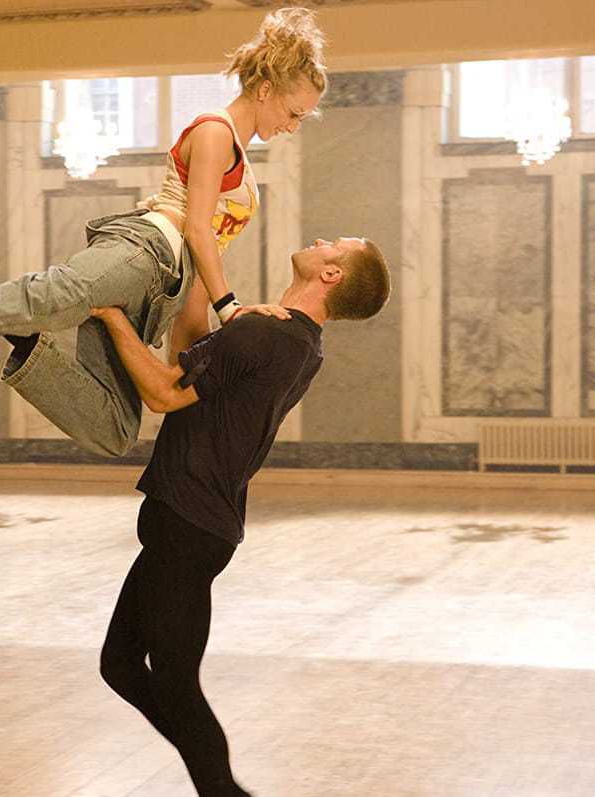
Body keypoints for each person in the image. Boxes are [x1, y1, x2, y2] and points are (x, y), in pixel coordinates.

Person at [0, 7, 329, 457]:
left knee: (117, 430)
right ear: (266, 89)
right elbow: (196, 228)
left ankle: (28, 344)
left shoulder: (241, 157)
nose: (292, 126)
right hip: (148, 248)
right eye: (294, 113)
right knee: (63, 292)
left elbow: (204, 252)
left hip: (163, 290)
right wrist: (230, 309)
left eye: (301, 119)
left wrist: (195, 356)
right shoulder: (215, 132)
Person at [94, 236, 390, 797]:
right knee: (121, 667)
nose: (320, 240)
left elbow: (163, 393)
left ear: (331, 274)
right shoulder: (295, 339)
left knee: (176, 684)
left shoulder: (264, 333)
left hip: (190, 525)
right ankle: (220, 785)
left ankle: (224, 791)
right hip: (190, 522)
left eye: (334, 244)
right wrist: (201, 260)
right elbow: (190, 349)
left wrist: (111, 317)